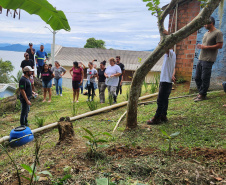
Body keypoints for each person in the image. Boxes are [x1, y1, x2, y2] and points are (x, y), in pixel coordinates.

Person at [147, 37, 176, 125]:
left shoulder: (170, 53)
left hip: (165, 81)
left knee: (160, 100)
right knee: (165, 99)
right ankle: (163, 116)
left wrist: (164, 36)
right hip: (167, 81)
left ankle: (157, 118)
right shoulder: (172, 54)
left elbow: (164, 47)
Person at [194, 16, 223, 102]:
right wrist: (201, 46)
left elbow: (220, 45)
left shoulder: (218, 33)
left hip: (209, 59)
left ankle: (202, 95)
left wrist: (205, 47)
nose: (204, 25)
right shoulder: (206, 33)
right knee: (197, 77)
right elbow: (204, 45)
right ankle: (201, 93)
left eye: (206, 23)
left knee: (204, 77)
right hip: (201, 58)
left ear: (211, 23)